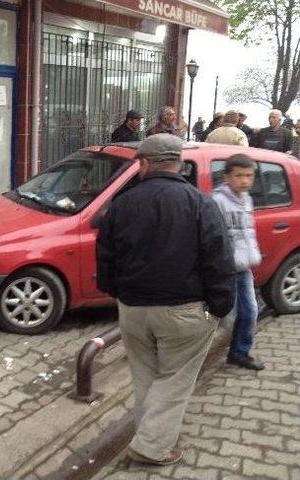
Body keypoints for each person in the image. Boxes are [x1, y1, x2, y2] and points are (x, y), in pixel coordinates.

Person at [96, 134, 235, 466]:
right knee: (174, 381)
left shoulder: (121, 203)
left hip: (133, 310)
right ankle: (152, 447)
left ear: (144, 164)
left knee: (146, 376)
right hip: (184, 313)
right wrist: (220, 306)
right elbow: (218, 259)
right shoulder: (201, 203)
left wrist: (117, 293)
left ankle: (150, 436)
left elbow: (105, 256)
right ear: (179, 163)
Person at [212, 155, 265, 371]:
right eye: (239, 176)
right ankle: (192, 355)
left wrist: (252, 255)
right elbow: (213, 236)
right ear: (227, 177)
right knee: (221, 316)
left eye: (249, 176)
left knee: (250, 311)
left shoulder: (247, 199)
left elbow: (248, 232)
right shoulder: (218, 201)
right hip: (224, 270)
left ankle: (239, 353)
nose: (244, 181)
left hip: (243, 268)